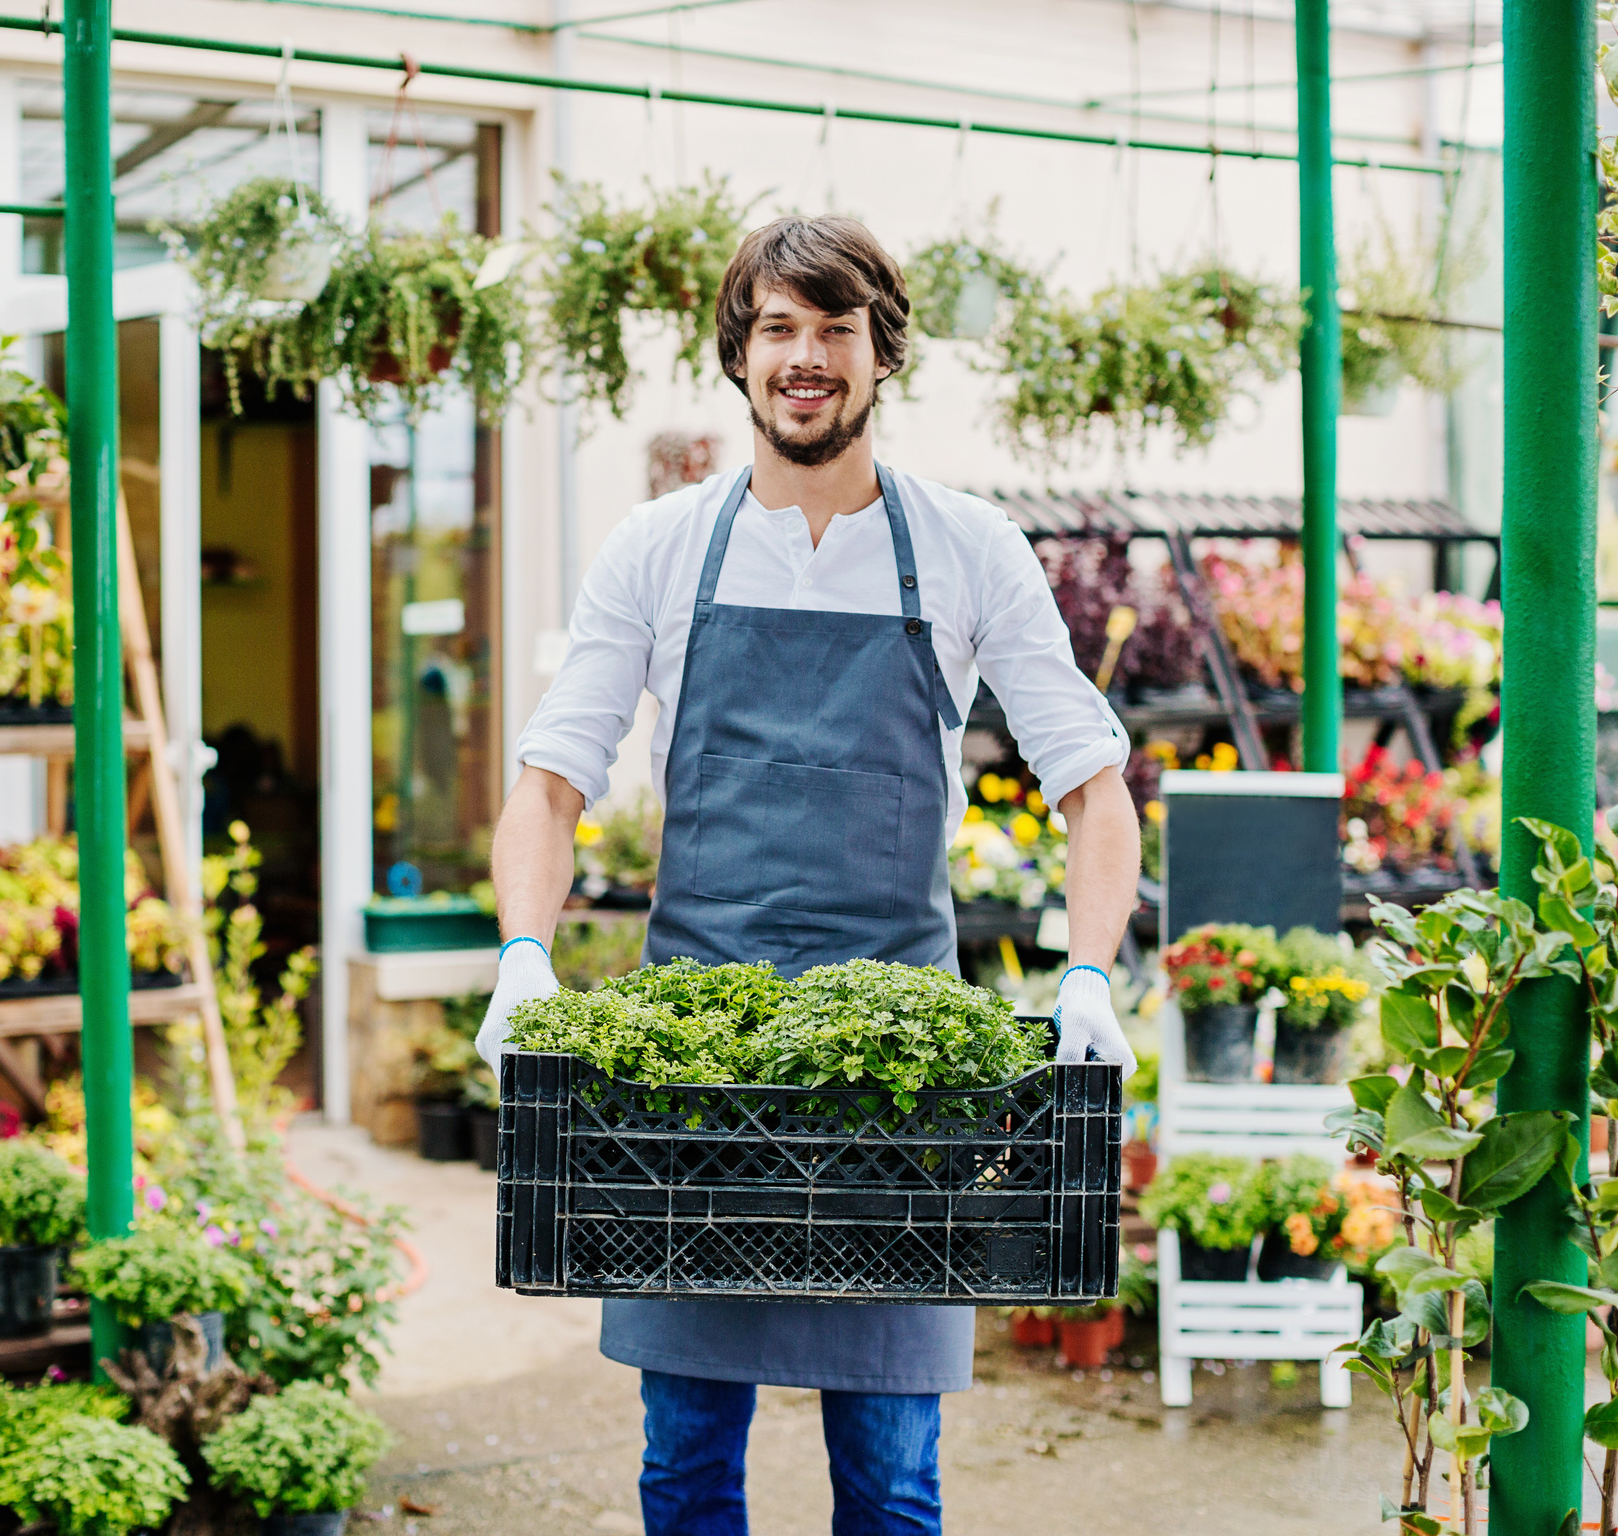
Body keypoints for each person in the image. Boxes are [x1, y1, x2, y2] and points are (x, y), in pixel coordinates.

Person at [475, 215, 1141, 1536]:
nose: (806, 357)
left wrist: (1090, 974)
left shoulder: (966, 548)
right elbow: (551, 780)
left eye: (835, 329)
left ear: (880, 353)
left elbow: (1093, 785)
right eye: (779, 327)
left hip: (893, 1082)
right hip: (693, 1073)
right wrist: (523, 954)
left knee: (893, 1481)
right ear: (739, 354)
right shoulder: (661, 547)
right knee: (684, 1468)